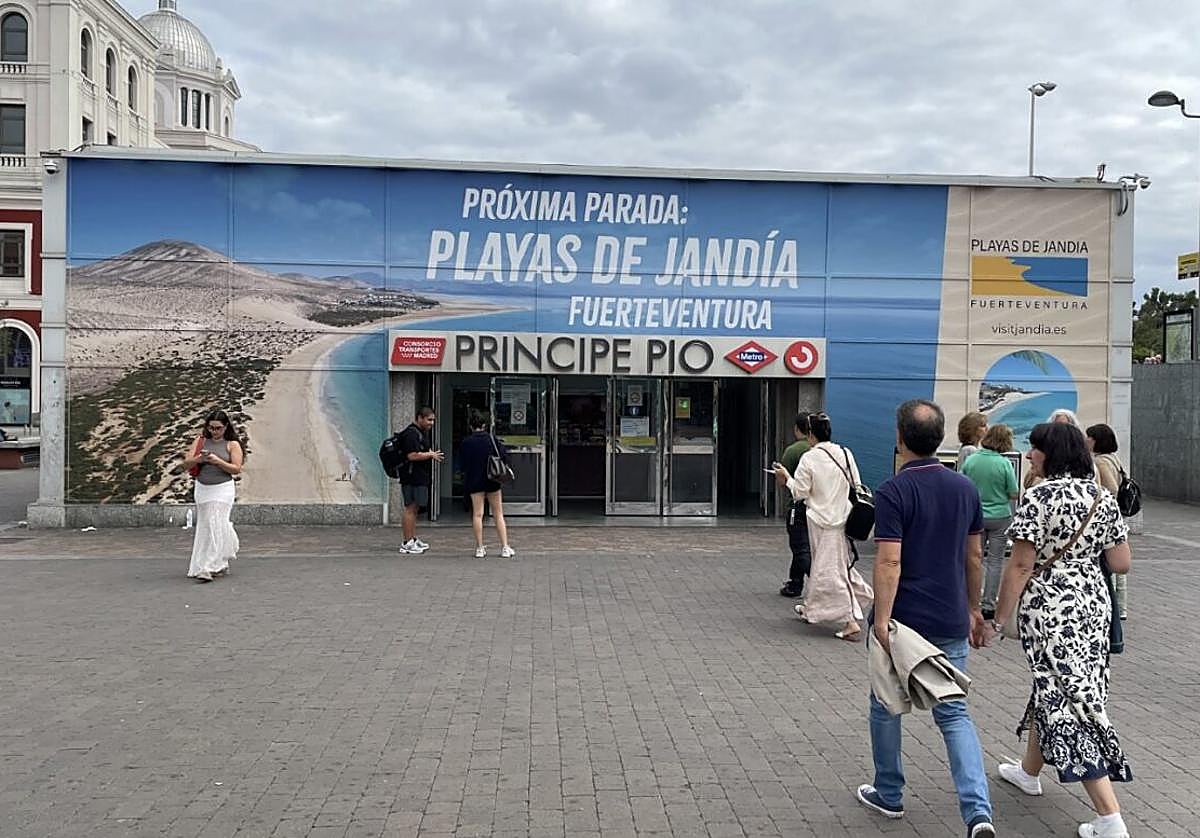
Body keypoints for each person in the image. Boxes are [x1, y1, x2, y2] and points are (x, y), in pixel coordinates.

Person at [856, 399, 995, 838]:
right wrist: (974, 609)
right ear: (941, 438)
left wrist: (881, 618)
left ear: (899, 438)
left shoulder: (893, 491)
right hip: (952, 615)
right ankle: (978, 813)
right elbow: (975, 556)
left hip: (905, 623)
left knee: (885, 705)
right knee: (954, 714)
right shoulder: (964, 488)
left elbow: (889, 561)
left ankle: (889, 792)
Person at [989, 422, 1133, 838]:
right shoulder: (1102, 498)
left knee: (1069, 701)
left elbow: (1019, 565)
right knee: (1059, 686)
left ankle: (1110, 817)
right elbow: (1121, 562)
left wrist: (999, 617)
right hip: (1093, 607)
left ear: (1050, 454)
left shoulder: (1037, 498)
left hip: (1050, 611)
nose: (1029, 456)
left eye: (1034, 450)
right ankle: (1029, 771)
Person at [773, 412, 873, 641]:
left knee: (828, 570)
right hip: (844, 520)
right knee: (835, 565)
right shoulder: (846, 453)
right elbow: (856, 484)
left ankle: (850, 619)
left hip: (819, 520)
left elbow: (800, 491)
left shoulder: (810, 459)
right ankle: (812, 608)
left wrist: (785, 477)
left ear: (810, 434)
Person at [960, 424, 1019, 620]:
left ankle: (970, 600)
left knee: (974, 559)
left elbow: (961, 484)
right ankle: (988, 603)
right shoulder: (1004, 464)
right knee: (995, 561)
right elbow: (1013, 492)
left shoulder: (972, 459)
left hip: (975, 516)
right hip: (1000, 516)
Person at [182, 410, 242, 583]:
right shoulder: (200, 441)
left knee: (215, 521)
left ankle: (208, 566)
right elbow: (186, 463)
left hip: (222, 488)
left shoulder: (232, 444)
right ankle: (218, 561)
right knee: (208, 524)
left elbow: (236, 468)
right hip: (203, 488)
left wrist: (218, 462)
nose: (215, 431)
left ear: (226, 427)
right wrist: (199, 459)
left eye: (218, 428)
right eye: (212, 428)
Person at [459, 410, 515, 559]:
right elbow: (504, 456)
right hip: (493, 480)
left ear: (471, 426)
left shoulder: (466, 442)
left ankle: (479, 548)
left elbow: (463, 464)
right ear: (484, 425)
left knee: (477, 514)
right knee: (498, 514)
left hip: (474, 481)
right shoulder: (492, 439)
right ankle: (504, 547)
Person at [1087, 423, 1129, 620]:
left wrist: (1100, 500)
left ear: (1096, 441)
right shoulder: (1114, 458)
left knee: (1108, 562)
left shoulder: (1101, 462)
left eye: (1089, 437)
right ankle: (1120, 606)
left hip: (1108, 519)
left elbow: (1112, 489)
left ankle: (1115, 605)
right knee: (1118, 563)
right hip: (1118, 517)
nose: (1086, 440)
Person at [396, 406, 443, 555]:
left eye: (433, 420)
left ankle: (412, 539)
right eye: (429, 420)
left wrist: (428, 453)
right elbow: (412, 455)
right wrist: (430, 455)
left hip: (418, 476)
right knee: (410, 508)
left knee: (415, 509)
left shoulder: (420, 433)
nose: (431, 423)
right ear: (419, 418)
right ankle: (407, 542)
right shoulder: (411, 434)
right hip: (412, 477)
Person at [777, 413, 812, 599]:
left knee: (800, 547)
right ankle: (795, 583)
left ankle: (818, 581)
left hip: (798, 507)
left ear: (797, 429)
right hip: (820, 508)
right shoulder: (827, 451)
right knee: (804, 547)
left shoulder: (793, 451)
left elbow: (782, 481)